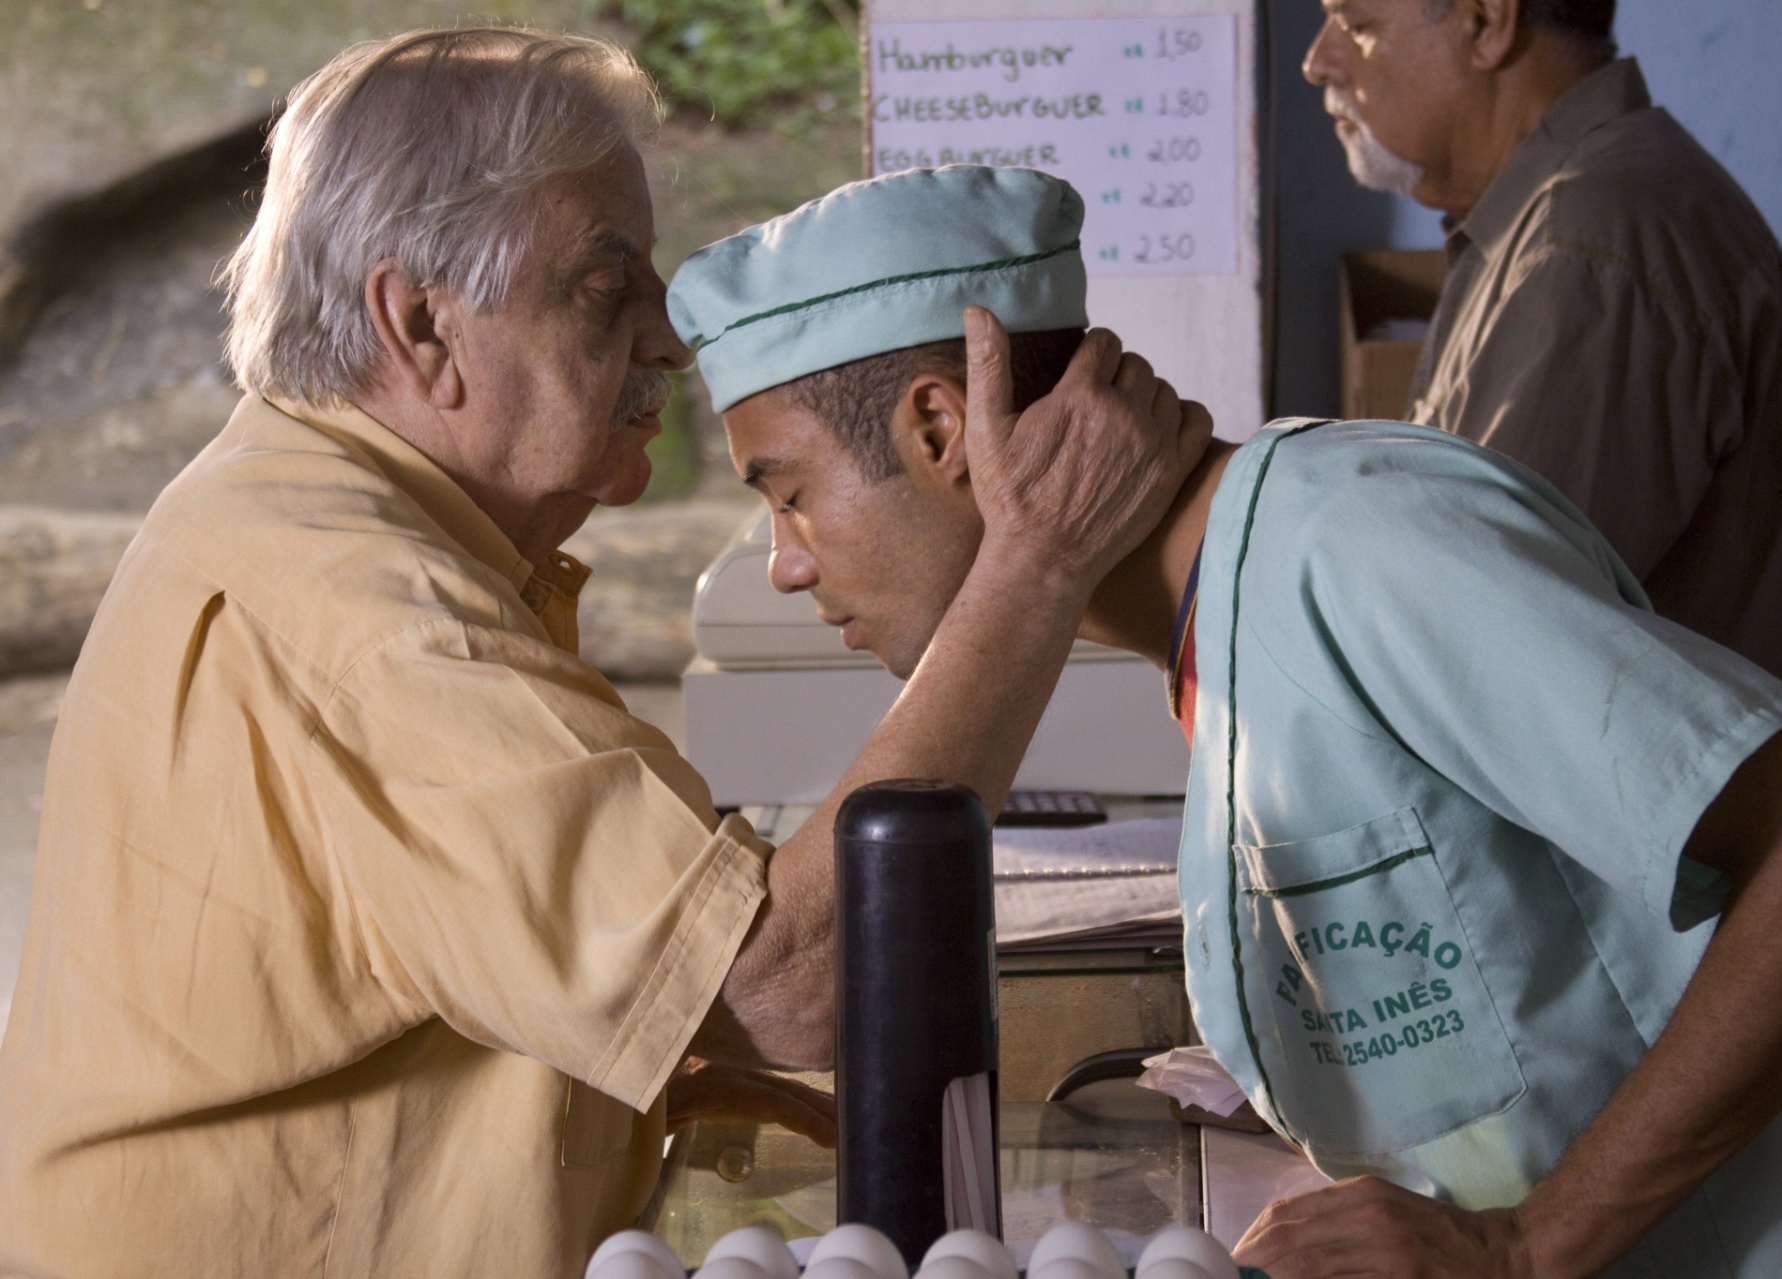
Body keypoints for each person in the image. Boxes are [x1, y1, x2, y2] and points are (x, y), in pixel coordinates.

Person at [0, 34, 1210, 1277]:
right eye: (603, 285)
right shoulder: (366, 609)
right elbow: (790, 990)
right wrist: (1035, 566)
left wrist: (689, 1074)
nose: (665, 343)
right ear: (419, 321)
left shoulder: (320, 515)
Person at [669, 166, 1782, 1277]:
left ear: (940, 429)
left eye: (788, 495)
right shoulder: (1223, 626)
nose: (783, 562)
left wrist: (1520, 1248)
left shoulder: (1352, 539)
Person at [1303, 0, 1782, 729]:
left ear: (1485, 22)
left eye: (1357, 23)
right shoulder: (1562, 212)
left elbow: (1474, 647)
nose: (1319, 60)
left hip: (1671, 843)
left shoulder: (1594, 238)